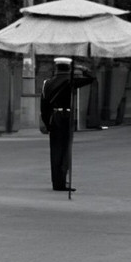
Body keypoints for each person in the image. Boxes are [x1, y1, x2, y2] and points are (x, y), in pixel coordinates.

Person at [40, 57, 96, 193]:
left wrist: (48, 123)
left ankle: (56, 182)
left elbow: (44, 106)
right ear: (69, 68)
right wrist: (83, 70)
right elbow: (92, 79)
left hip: (54, 117)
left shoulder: (47, 83)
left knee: (55, 151)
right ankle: (63, 181)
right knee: (65, 150)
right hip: (66, 117)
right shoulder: (71, 81)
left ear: (56, 68)